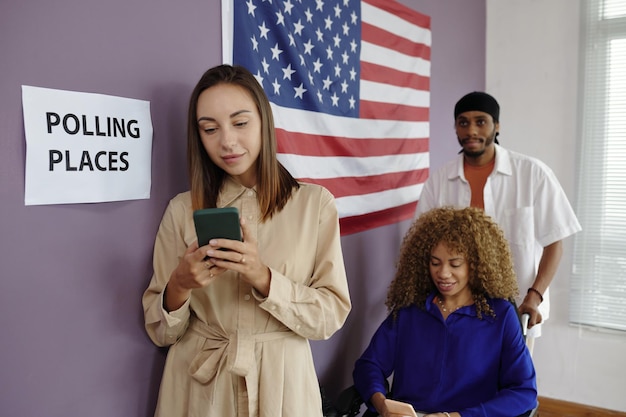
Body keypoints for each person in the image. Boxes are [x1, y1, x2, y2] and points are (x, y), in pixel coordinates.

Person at [142, 64, 351, 417]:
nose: (226, 141)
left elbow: (329, 317)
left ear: (263, 122)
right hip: (199, 390)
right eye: (210, 129)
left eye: (240, 123)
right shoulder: (181, 210)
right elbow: (160, 332)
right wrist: (180, 284)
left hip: (283, 385)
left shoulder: (314, 205)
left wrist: (263, 277)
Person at [415, 91, 581, 351]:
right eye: (463, 122)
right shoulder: (439, 180)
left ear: (497, 125)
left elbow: (555, 244)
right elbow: (422, 243)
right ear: (456, 127)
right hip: (459, 310)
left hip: (518, 308)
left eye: (480, 121)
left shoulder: (533, 174)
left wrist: (534, 297)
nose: (471, 130)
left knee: (513, 386)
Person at [353, 207, 537, 417]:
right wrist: (382, 403)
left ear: (476, 264)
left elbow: (524, 392)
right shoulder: (410, 310)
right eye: (435, 263)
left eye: (455, 264)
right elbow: (369, 366)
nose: (443, 273)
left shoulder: (501, 315)